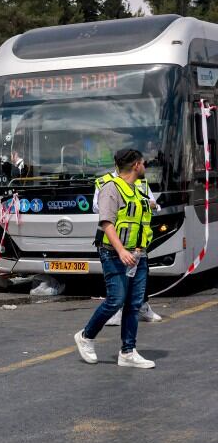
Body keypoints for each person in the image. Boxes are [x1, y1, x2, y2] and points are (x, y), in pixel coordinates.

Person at [73, 148, 156, 369]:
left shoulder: (137, 189)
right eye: (143, 163)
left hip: (138, 254)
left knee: (134, 304)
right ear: (136, 165)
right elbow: (107, 223)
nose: (145, 166)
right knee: (116, 300)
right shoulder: (111, 188)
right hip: (114, 253)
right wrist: (121, 251)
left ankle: (128, 352)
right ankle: (86, 336)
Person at [92, 165, 163, 325]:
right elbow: (96, 206)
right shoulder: (105, 182)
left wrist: (147, 204)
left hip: (137, 241)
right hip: (112, 241)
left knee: (139, 278)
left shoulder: (140, 182)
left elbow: (154, 205)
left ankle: (142, 307)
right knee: (117, 279)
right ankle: (116, 311)